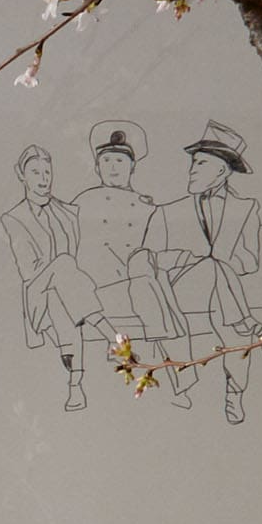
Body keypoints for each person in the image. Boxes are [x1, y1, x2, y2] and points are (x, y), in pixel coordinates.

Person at [144, 119, 262, 422]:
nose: (191, 170)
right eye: (192, 164)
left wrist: (224, 262)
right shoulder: (166, 211)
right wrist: (182, 258)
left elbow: (250, 261)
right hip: (179, 293)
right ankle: (250, 330)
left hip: (221, 295)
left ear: (222, 171)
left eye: (200, 164)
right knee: (215, 275)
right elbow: (147, 260)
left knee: (215, 268)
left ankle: (234, 392)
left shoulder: (246, 208)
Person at [0, 143, 103, 411]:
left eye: (47, 172)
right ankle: (108, 330)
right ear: (21, 175)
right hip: (37, 295)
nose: (43, 179)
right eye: (35, 172)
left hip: (69, 298)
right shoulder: (14, 218)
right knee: (63, 265)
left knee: (64, 299)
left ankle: (75, 387)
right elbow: (28, 272)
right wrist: (59, 268)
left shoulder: (70, 212)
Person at [64, 121, 174, 370]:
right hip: (94, 278)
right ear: (97, 165)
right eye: (107, 161)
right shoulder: (82, 202)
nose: (113, 167)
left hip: (134, 278)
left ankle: (151, 351)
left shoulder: (148, 207)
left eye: (120, 161)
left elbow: (158, 250)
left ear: (133, 167)